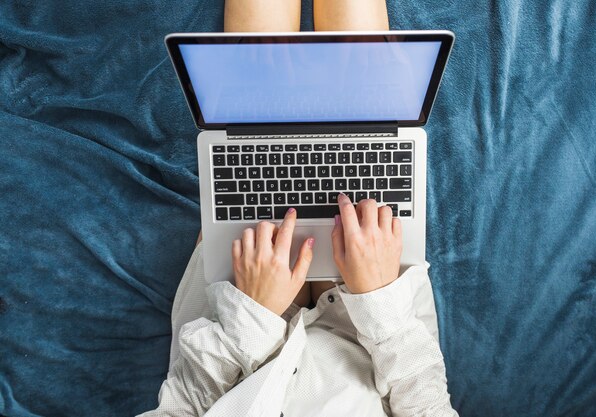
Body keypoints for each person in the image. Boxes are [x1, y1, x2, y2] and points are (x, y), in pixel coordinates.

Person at [139, 1, 458, 416]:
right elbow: (427, 402)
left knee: (254, 108)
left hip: (235, 344)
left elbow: (182, 406)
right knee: (364, 98)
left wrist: (251, 319)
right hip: (373, 339)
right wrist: (379, 299)